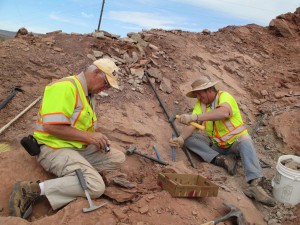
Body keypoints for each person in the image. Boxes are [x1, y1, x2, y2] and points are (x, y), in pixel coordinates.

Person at [9, 58, 126, 218]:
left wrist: (98, 138)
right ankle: (31, 190)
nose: (106, 88)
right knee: (96, 186)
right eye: (106, 83)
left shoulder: (88, 95)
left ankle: (80, 174)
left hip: (75, 147)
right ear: (96, 72)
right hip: (52, 147)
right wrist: (91, 138)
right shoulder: (65, 87)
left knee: (118, 158)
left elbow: (86, 127)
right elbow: (52, 127)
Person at [169, 76, 276, 207]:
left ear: (209, 90)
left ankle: (255, 183)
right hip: (216, 145)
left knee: (245, 140)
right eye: (196, 94)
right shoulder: (200, 105)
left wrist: (195, 116)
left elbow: (224, 113)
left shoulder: (225, 97)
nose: (197, 97)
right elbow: (193, 124)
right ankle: (222, 160)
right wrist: (181, 138)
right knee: (188, 139)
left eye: (199, 94)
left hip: (235, 144)